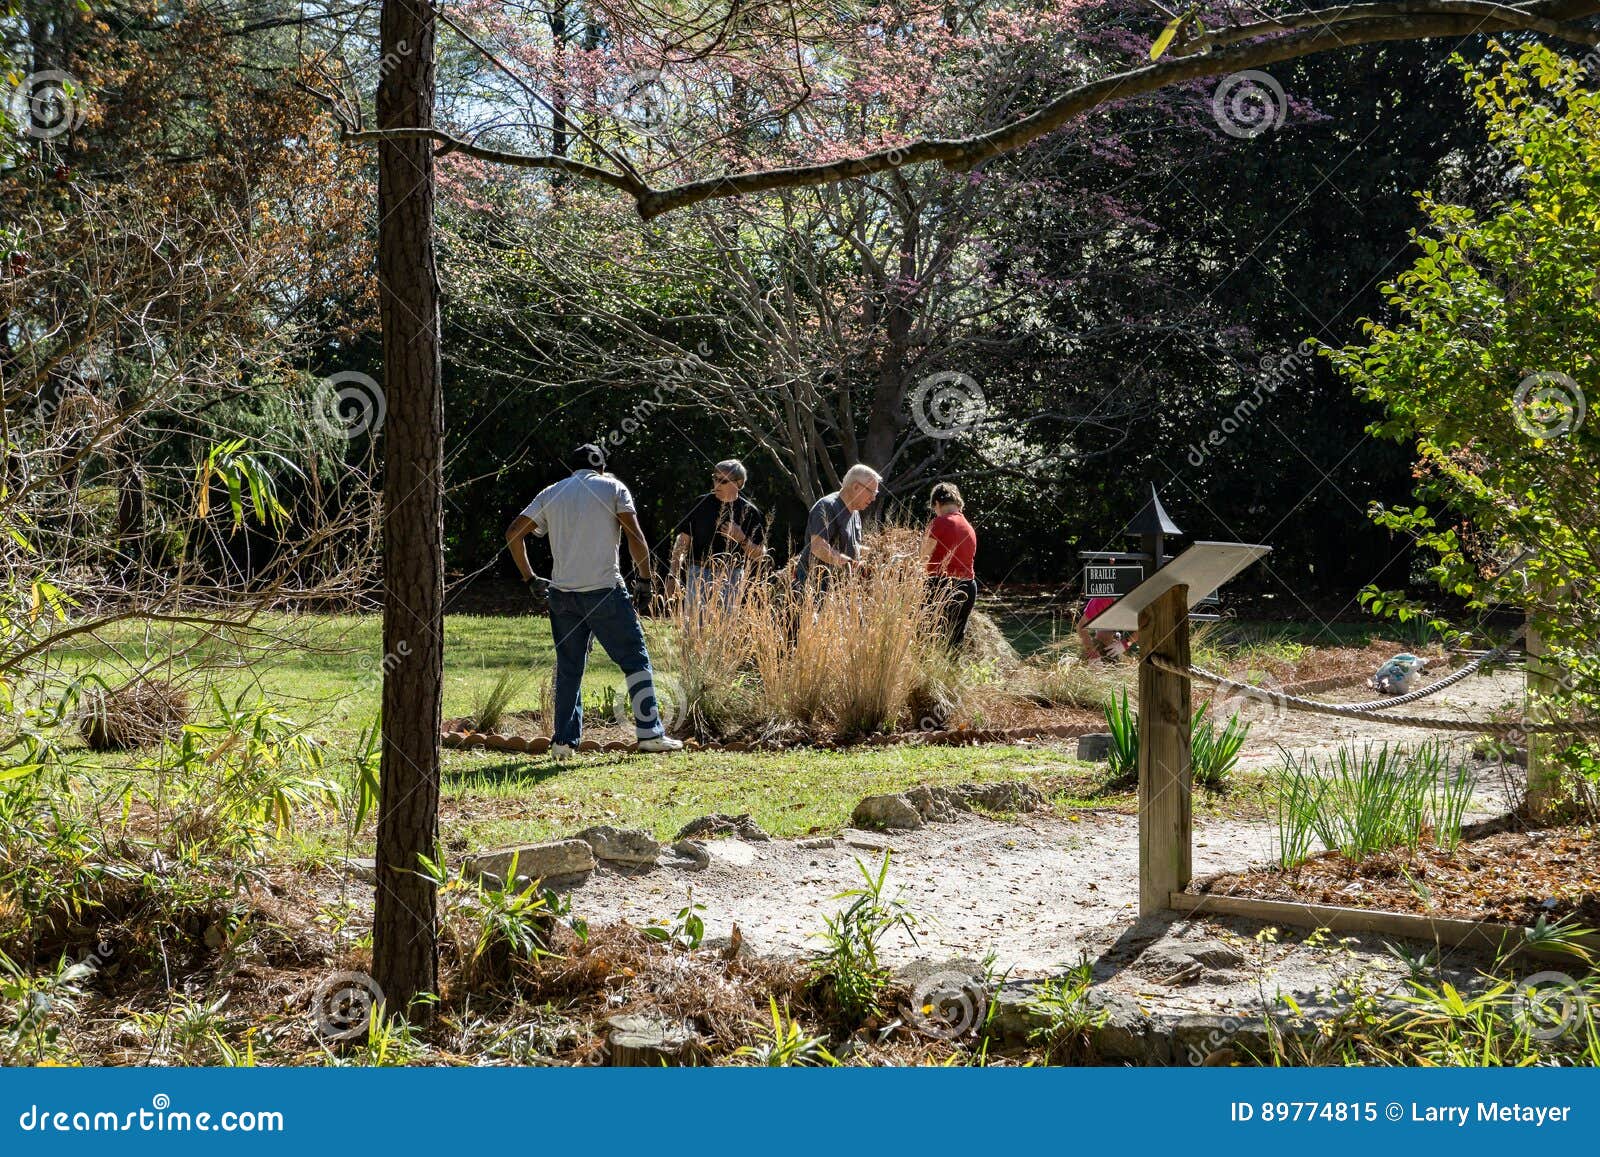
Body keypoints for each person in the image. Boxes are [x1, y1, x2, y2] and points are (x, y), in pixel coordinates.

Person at [505, 444, 683, 759]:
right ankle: (651, 733)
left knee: (569, 669)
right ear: (601, 467)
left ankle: (563, 742)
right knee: (634, 660)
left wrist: (530, 579)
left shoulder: (552, 492)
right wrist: (645, 579)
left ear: (571, 467)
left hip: (562, 595)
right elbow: (635, 535)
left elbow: (513, 533)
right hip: (605, 591)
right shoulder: (613, 487)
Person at [668, 458, 766, 608]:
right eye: (715, 478)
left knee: (725, 629)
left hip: (732, 577)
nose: (717, 484)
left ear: (738, 483)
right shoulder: (700, 504)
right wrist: (672, 574)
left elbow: (760, 555)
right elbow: (682, 541)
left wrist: (741, 538)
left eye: (723, 481)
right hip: (698, 573)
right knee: (694, 628)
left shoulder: (751, 512)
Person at [794, 464, 880, 590]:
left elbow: (847, 546)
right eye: (871, 492)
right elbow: (818, 547)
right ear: (856, 487)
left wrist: (875, 551)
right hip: (813, 588)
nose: (873, 498)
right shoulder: (827, 506)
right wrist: (842, 560)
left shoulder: (855, 513)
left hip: (837, 590)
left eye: (875, 493)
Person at [919, 481, 978, 648]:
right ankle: (952, 672)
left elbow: (922, 556)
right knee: (955, 641)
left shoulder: (940, 522)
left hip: (942, 586)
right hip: (968, 586)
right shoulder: (968, 526)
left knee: (927, 637)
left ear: (937, 503)